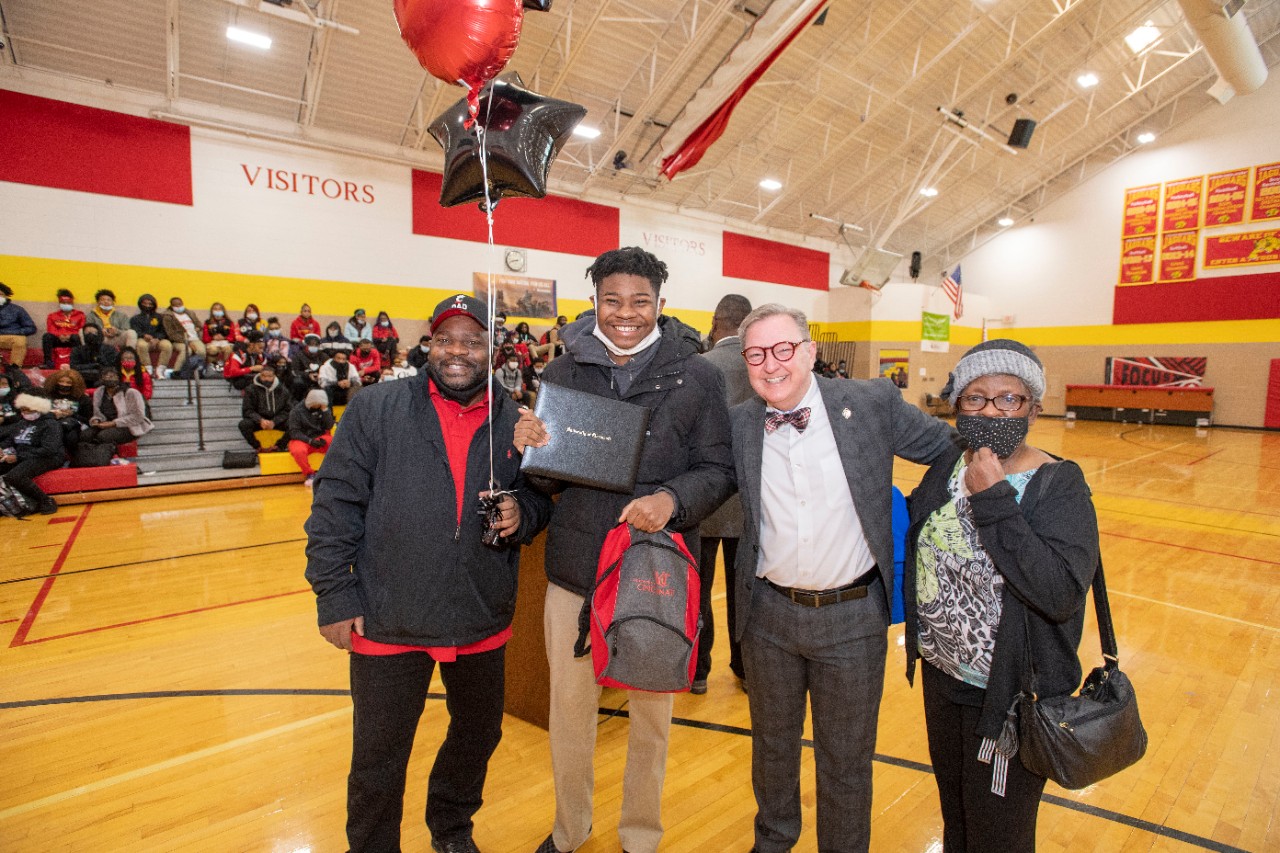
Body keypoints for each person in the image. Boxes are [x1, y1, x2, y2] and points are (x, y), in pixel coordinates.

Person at [304, 293, 553, 853]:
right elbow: (334, 505)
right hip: (389, 617)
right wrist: (335, 596)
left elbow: (540, 499)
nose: (457, 351)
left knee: (478, 734)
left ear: (492, 349)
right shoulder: (377, 408)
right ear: (429, 344)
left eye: (472, 341)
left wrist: (524, 512)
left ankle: (452, 828)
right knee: (379, 756)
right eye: (446, 339)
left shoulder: (518, 419)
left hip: (479, 613)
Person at [514, 247, 735, 853]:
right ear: (595, 303)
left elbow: (720, 469)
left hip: (655, 570)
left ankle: (640, 834)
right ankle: (569, 830)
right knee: (569, 712)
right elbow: (547, 482)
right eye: (612, 300)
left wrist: (672, 499)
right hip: (577, 573)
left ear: (660, 304)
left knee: (651, 720)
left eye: (640, 301)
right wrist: (532, 449)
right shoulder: (564, 372)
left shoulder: (698, 376)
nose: (626, 313)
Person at [728, 303, 955, 853]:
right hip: (767, 617)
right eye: (756, 354)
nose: (771, 364)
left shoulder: (871, 403)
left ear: (809, 352)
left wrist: (915, 515)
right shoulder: (739, 423)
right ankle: (772, 842)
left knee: (847, 761)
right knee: (772, 750)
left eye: (783, 349)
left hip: (853, 619)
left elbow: (948, 449)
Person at [904, 340, 1099, 853]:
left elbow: (1058, 592)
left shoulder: (1059, 484)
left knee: (999, 837)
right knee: (957, 821)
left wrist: (993, 497)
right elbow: (915, 533)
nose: (991, 410)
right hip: (943, 679)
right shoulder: (949, 465)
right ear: (957, 405)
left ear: (1033, 408)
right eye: (976, 398)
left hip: (1010, 697)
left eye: (1009, 398)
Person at [693, 293, 755, 695]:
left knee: (697, 590)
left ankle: (698, 671)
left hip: (704, 496)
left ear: (716, 323)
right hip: (748, 497)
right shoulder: (761, 366)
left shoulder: (700, 366)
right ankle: (745, 668)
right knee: (742, 591)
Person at [0, 393, 63, 515]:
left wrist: (18, 457)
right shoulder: (22, 423)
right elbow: (11, 440)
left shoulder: (51, 424)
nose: (26, 413)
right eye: (23, 410)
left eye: (29, 410)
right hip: (24, 455)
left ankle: (46, 501)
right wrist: (2, 448)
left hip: (48, 457)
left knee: (15, 476)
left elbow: (49, 449)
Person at [83, 366, 154, 450]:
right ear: (101, 379)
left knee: (103, 436)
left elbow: (138, 416)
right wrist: (96, 420)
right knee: (85, 436)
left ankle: (109, 454)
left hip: (128, 426)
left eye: (112, 376)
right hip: (105, 423)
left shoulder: (131, 392)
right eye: (106, 376)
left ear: (118, 377)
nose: (109, 379)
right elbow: (97, 413)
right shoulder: (99, 392)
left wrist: (114, 423)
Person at [238, 364, 292, 452]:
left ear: (274, 376)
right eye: (263, 376)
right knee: (243, 424)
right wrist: (260, 420)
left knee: (294, 423)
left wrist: (274, 421)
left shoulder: (283, 390)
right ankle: (258, 447)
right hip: (259, 421)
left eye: (269, 376)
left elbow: (288, 410)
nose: (266, 379)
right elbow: (247, 410)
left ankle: (279, 446)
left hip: (277, 420)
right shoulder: (251, 389)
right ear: (259, 375)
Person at [287, 389, 335, 485]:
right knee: (298, 451)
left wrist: (325, 411)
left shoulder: (323, 408)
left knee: (336, 443)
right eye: (317, 404)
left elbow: (329, 426)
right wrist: (309, 441)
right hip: (303, 439)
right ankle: (310, 474)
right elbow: (294, 432)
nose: (318, 406)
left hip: (320, 437)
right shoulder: (296, 411)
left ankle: (335, 471)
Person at [43, 369, 91, 455]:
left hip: (73, 426)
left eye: (68, 383)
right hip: (50, 423)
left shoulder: (83, 398)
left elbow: (88, 419)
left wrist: (72, 414)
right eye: (61, 381)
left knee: (71, 435)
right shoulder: (47, 395)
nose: (64, 384)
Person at [131, 293, 172, 376]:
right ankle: (147, 370)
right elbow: (135, 330)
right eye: (145, 303)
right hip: (143, 339)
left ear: (154, 305)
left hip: (158, 339)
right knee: (141, 345)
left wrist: (157, 338)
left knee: (167, 345)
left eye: (150, 304)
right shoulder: (135, 318)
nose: (147, 306)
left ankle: (160, 370)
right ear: (140, 304)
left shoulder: (159, 317)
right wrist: (144, 335)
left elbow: (164, 331)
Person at [42, 289, 86, 368]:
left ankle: (77, 363)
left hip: (72, 339)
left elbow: (82, 329)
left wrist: (69, 336)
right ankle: (48, 362)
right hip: (58, 339)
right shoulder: (52, 316)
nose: (66, 304)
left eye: (68, 303)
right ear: (59, 303)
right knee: (47, 336)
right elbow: (51, 329)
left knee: (76, 337)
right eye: (63, 303)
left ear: (72, 303)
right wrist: (59, 335)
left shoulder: (80, 315)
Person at [0, 281, 38, 367]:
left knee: (20, 341)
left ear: (6, 296)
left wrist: (15, 332)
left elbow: (31, 328)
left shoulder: (17, 310)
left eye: (0, 294)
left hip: (12, 337)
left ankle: (15, 368)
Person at [202, 302, 239, 370]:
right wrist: (213, 337)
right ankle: (212, 369)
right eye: (215, 309)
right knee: (213, 349)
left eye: (219, 309)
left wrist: (224, 338)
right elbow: (205, 339)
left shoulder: (229, 322)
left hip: (226, 342)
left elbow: (233, 338)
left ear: (223, 311)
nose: (217, 311)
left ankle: (226, 368)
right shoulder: (207, 322)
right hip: (212, 343)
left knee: (228, 349)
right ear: (212, 311)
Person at [290, 334, 325, 400]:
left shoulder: (323, 355)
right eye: (311, 345)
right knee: (297, 382)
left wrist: (320, 375)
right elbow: (295, 371)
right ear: (306, 345)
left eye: (316, 345)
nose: (314, 346)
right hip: (304, 379)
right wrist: (308, 375)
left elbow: (328, 368)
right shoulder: (298, 356)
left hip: (320, 378)